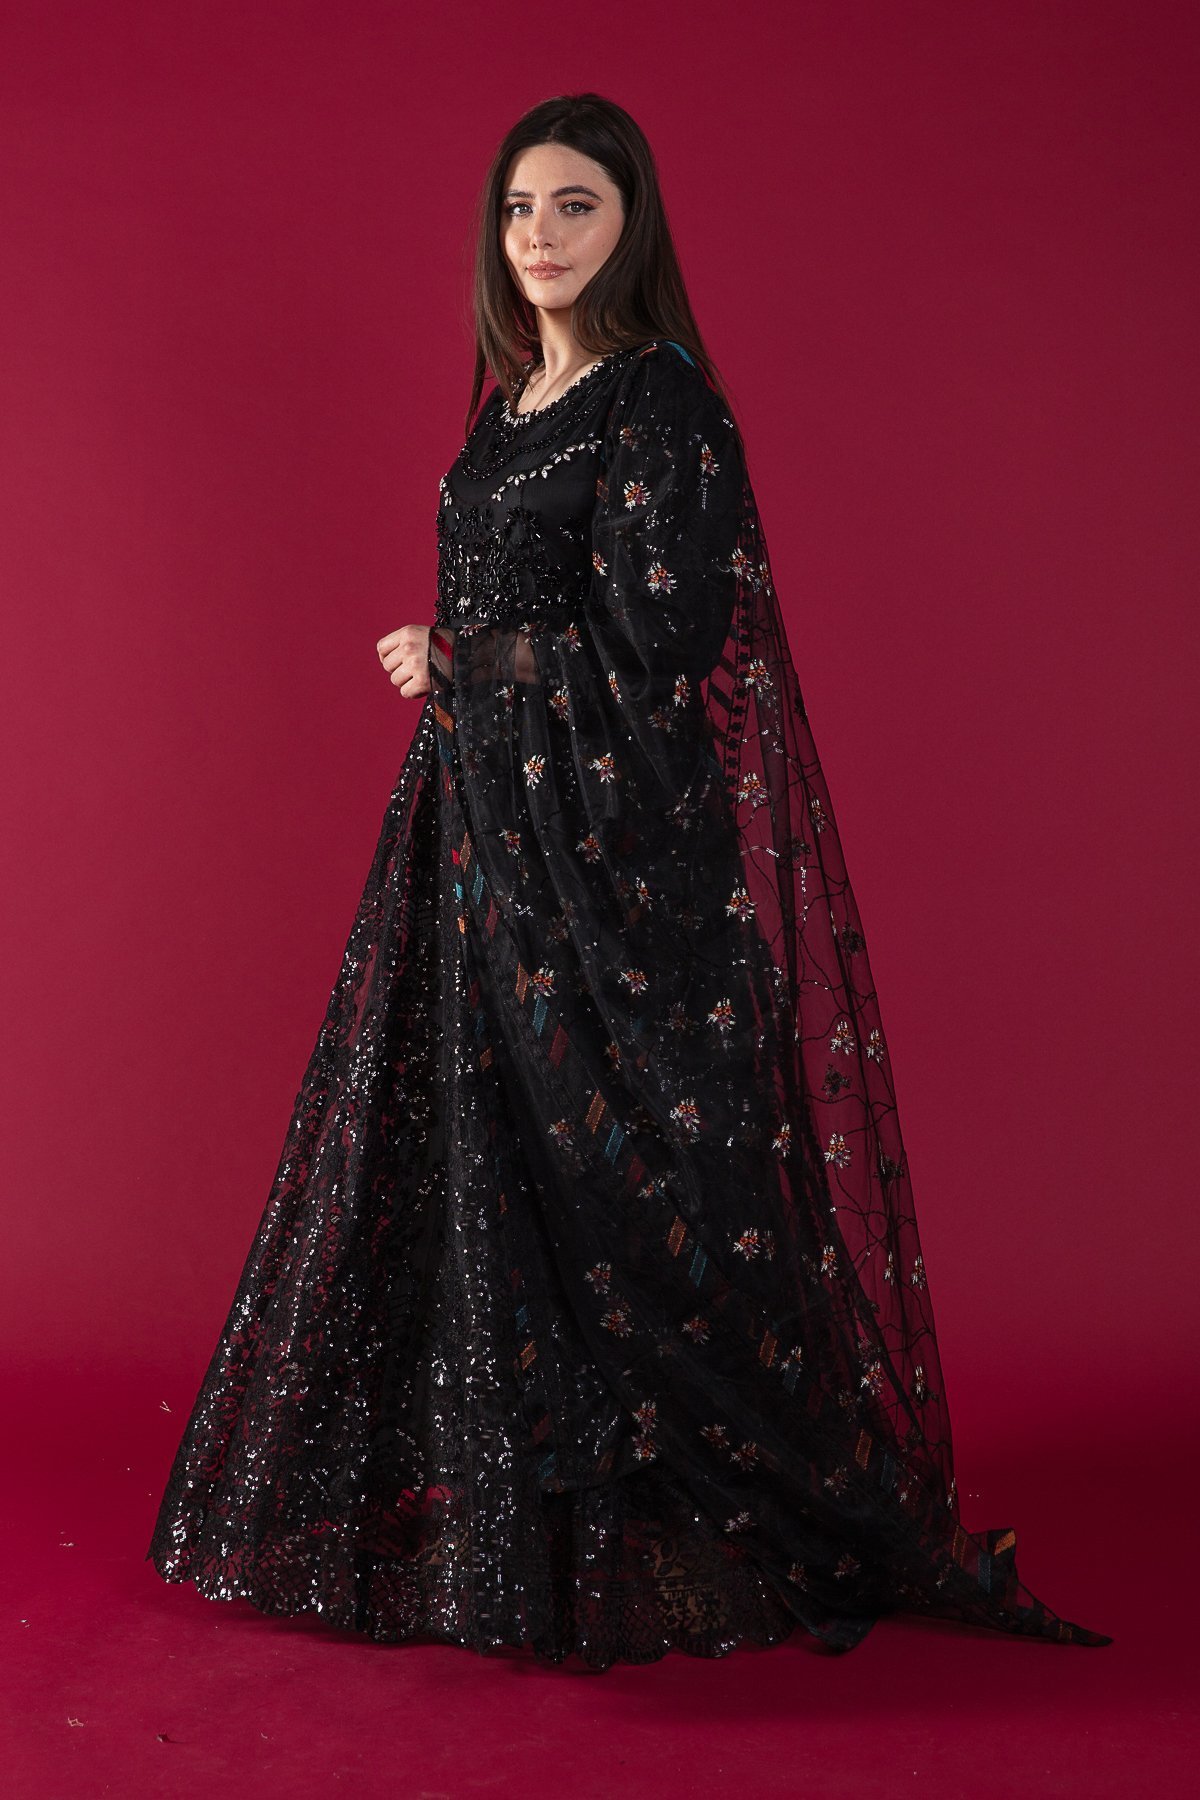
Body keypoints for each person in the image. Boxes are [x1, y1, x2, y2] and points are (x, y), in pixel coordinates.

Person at [147, 92, 1111, 1667]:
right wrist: (469, 681)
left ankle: (749, 1502)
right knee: (492, 1160)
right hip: (481, 847)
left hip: (614, 876)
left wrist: (462, 659)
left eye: (576, 206)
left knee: (644, 1183)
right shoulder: (510, 404)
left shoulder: (662, 403)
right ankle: (539, 1508)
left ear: (632, 224)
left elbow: (664, 648)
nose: (540, 235)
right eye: (519, 208)